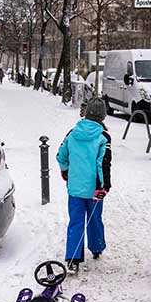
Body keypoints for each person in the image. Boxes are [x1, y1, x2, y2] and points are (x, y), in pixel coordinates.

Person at [56, 98, 112, 272]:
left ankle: (73, 258)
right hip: (95, 189)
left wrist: (65, 171)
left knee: (76, 221)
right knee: (95, 219)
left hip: (75, 188)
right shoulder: (103, 137)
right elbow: (103, 163)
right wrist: (104, 186)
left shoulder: (72, 133)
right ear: (103, 115)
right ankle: (96, 247)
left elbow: (61, 155)